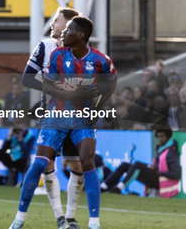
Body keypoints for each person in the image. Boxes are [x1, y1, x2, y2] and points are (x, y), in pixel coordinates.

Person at [9, 16, 117, 229]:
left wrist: (97, 108)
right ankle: (19, 219)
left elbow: (112, 82)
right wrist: (74, 92)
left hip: (83, 120)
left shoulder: (100, 60)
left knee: (87, 162)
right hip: (55, 117)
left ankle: (93, 223)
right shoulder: (57, 55)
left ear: (80, 35)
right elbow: (47, 85)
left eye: (67, 29)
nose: (63, 33)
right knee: (40, 162)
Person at [20, 7, 85, 229]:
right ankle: (59, 217)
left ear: (68, 26)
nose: (52, 25)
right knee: (47, 164)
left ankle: (71, 217)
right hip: (50, 114)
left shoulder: (81, 52)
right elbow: (27, 78)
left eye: (56, 21)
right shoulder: (45, 47)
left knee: (77, 166)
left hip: (76, 116)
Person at [101, 128, 180, 197]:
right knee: (125, 165)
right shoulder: (160, 149)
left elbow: (177, 173)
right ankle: (104, 186)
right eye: (159, 136)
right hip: (155, 176)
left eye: (162, 136)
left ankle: (118, 188)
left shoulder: (171, 152)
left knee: (137, 165)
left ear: (168, 137)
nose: (160, 139)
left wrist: (160, 173)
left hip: (161, 182)